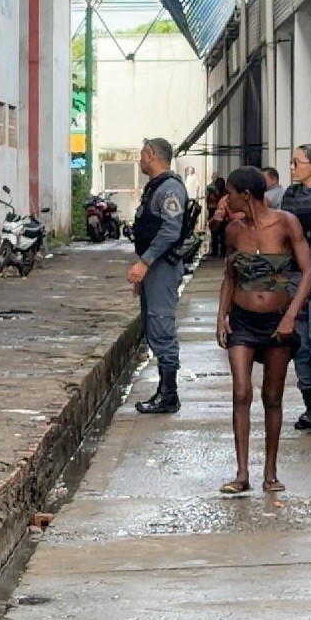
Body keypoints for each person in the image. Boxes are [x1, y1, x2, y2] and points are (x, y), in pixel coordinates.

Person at [216, 166, 311, 494]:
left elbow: (308, 271)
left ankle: (270, 472)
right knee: (241, 392)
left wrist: (291, 316)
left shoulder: (286, 223)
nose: (226, 199)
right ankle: (241, 473)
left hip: (277, 321)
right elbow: (230, 275)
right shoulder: (234, 230)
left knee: (272, 396)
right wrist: (222, 316)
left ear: (245, 195)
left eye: (230, 193)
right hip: (242, 320)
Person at [128, 137, 189, 414]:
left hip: (162, 267)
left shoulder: (169, 188)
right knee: (153, 327)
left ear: (151, 155)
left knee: (161, 326)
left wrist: (145, 262)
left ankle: (169, 395)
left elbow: (170, 231)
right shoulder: (156, 187)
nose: (140, 160)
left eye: (142, 154)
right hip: (154, 269)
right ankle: (164, 391)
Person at [277, 144, 311, 430]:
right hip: (294, 275)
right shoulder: (290, 195)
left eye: (297, 162)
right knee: (300, 344)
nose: (292, 168)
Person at [206, 175, 227, 257]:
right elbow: (209, 202)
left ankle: (221, 251)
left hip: (221, 214)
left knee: (221, 234)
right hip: (214, 212)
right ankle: (216, 251)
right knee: (215, 234)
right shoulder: (212, 192)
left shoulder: (224, 193)